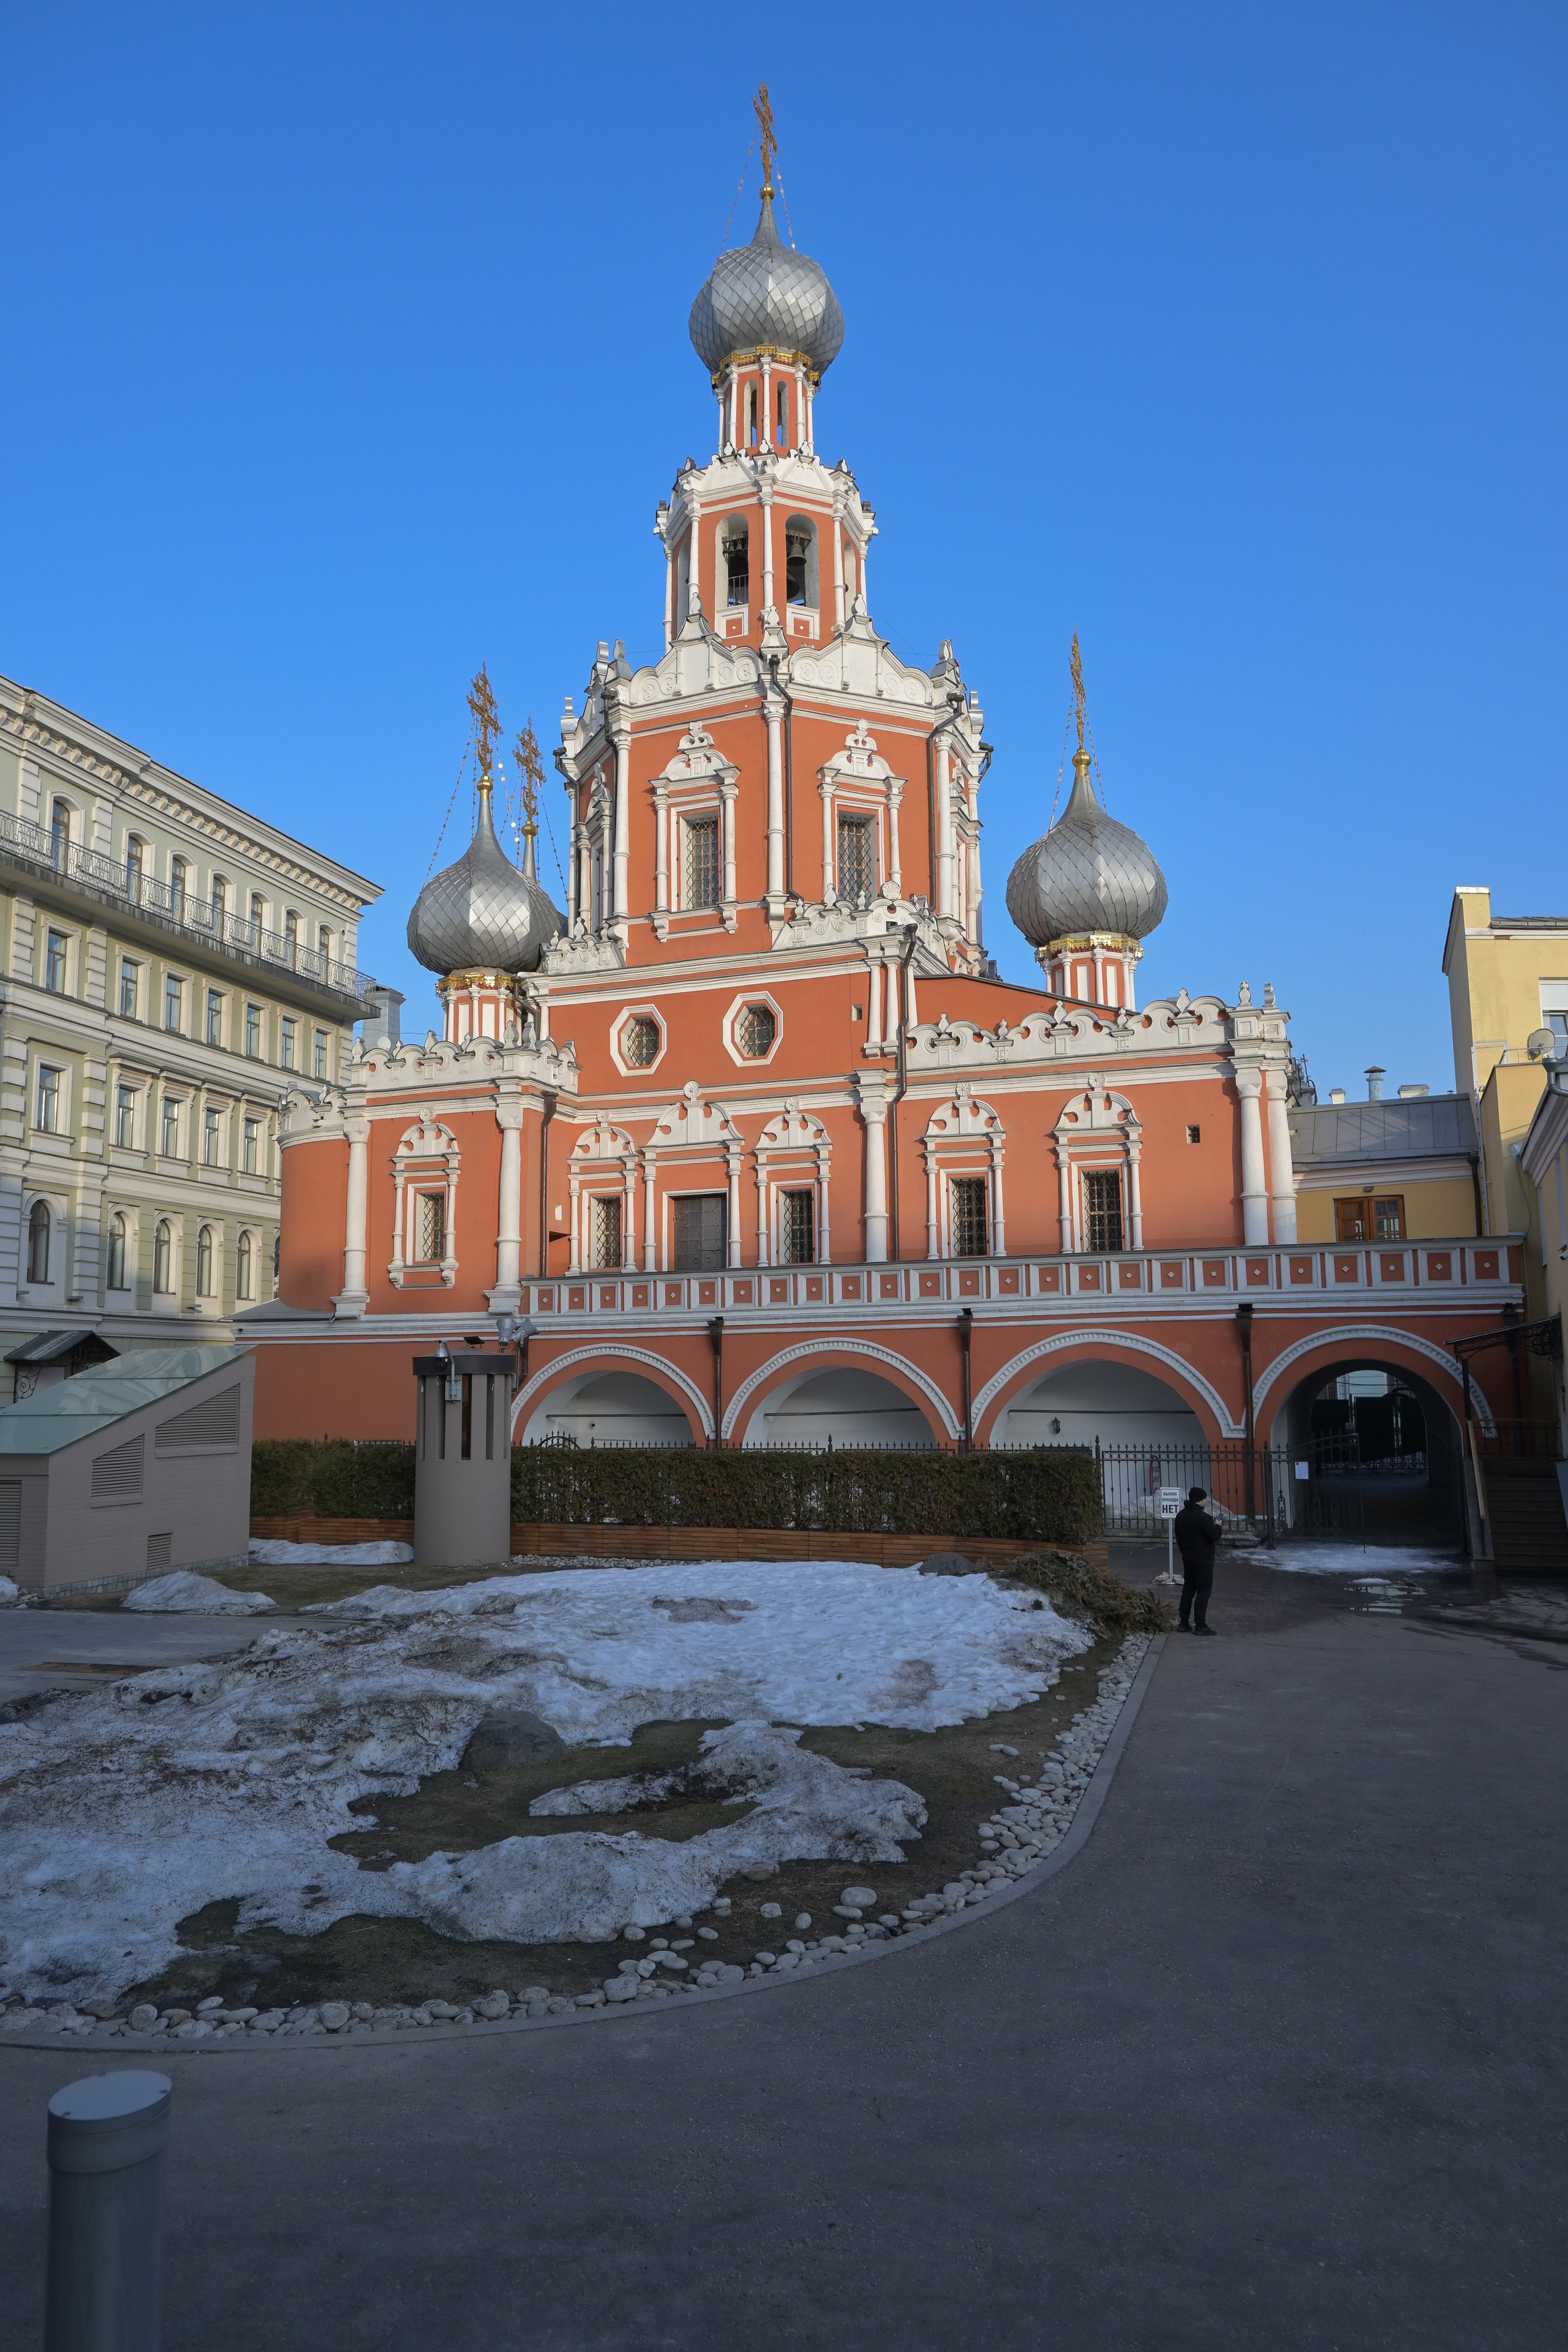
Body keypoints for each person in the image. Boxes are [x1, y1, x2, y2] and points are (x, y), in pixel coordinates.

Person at [1173, 1485, 1223, 1634]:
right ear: (1200, 1500)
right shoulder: (1204, 1518)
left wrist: (1185, 1553)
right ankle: (1200, 1625)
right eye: (1205, 1498)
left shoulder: (1181, 1516)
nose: (1207, 1501)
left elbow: (1179, 1538)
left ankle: (1184, 1623)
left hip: (1188, 1559)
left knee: (1188, 1590)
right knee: (1203, 1592)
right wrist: (1218, 1526)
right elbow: (1214, 1536)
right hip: (1203, 1561)